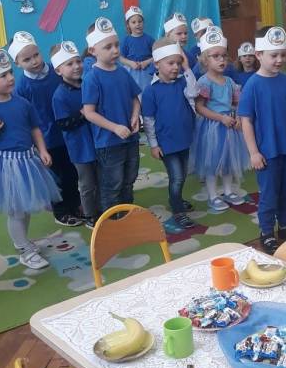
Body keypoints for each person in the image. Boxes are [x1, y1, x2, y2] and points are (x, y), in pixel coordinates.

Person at [0, 48, 60, 270]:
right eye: (3, 75)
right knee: (16, 211)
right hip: (6, 167)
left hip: (28, 162)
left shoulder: (22, 103)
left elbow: (35, 128)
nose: (10, 78)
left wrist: (43, 150)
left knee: (24, 208)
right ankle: (24, 250)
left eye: (10, 72)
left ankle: (23, 241)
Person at [238, 26, 286, 253]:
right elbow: (246, 121)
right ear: (258, 55)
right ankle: (266, 232)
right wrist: (254, 152)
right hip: (266, 153)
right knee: (269, 195)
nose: (279, 60)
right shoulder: (252, 85)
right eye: (274, 55)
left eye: (283, 55)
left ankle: (284, 226)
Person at [10, 31, 82, 227]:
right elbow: (24, 118)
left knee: (73, 172)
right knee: (56, 177)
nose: (34, 61)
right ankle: (61, 211)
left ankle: (75, 204)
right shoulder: (22, 87)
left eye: (36, 55)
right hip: (48, 140)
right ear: (17, 63)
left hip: (69, 132)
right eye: (27, 59)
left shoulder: (57, 71)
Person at [82, 17, 141, 213]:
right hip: (108, 142)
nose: (115, 50)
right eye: (108, 47)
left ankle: (127, 215)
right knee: (112, 185)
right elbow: (89, 113)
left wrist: (135, 115)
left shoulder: (123, 72)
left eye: (116, 45)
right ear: (93, 51)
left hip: (130, 138)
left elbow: (135, 99)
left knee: (129, 179)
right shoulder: (92, 78)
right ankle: (112, 220)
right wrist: (114, 127)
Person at [142, 38, 197, 234]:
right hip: (166, 143)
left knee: (182, 174)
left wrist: (187, 68)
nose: (176, 67)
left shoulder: (182, 82)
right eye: (171, 63)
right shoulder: (151, 91)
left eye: (178, 62)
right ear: (157, 64)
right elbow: (148, 120)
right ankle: (178, 210)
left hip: (183, 138)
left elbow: (194, 91)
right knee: (177, 177)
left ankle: (177, 198)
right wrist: (153, 144)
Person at [192, 28, 248, 212]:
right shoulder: (204, 82)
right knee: (212, 162)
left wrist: (237, 117)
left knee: (229, 161)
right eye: (215, 56)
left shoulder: (230, 82)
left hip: (230, 126)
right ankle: (212, 195)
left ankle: (228, 191)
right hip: (212, 128)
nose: (221, 60)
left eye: (224, 56)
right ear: (205, 60)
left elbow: (238, 103)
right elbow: (200, 107)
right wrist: (220, 118)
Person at [51, 41, 99, 229]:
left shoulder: (88, 83)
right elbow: (63, 124)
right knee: (87, 184)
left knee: (101, 178)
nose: (77, 66)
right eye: (69, 64)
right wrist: (83, 114)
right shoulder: (59, 95)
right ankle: (89, 215)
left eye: (78, 61)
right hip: (80, 148)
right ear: (58, 70)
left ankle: (103, 209)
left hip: (97, 141)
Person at [119, 6, 155, 93]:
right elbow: (120, 58)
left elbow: (157, 55)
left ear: (143, 23)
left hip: (147, 72)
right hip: (130, 71)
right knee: (132, 93)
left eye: (140, 21)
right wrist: (130, 63)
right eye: (133, 22)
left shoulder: (149, 39)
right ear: (128, 25)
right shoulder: (126, 40)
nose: (137, 24)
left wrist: (146, 62)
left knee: (146, 92)